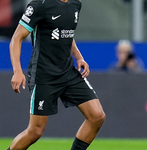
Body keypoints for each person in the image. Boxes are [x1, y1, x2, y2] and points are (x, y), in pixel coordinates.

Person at [7, 0, 106, 150]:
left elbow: (66, 33)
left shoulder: (75, 4)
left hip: (67, 72)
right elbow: (16, 38)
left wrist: (78, 57)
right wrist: (17, 71)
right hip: (43, 75)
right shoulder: (39, 5)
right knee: (35, 131)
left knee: (97, 116)